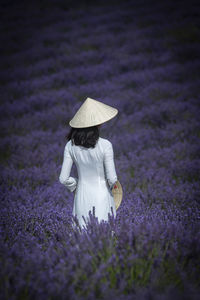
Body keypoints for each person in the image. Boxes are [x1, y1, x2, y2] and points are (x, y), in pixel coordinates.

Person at [59, 97, 118, 230]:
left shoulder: (70, 146)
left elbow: (63, 178)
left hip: (81, 196)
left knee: (82, 235)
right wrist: (114, 188)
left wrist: (76, 184)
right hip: (102, 195)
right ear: (98, 123)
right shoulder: (105, 145)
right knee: (104, 235)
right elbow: (112, 178)